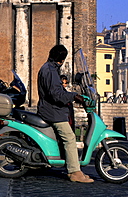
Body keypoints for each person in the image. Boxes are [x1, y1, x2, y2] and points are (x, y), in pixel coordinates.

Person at [37, 44, 94, 183]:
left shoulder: (49, 68)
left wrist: (72, 95)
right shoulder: (50, 71)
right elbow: (57, 94)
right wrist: (75, 97)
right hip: (53, 111)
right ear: (62, 60)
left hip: (52, 109)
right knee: (69, 138)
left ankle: (67, 163)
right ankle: (75, 171)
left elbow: (58, 91)